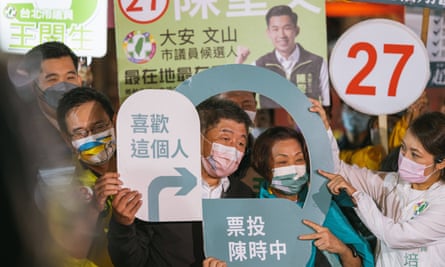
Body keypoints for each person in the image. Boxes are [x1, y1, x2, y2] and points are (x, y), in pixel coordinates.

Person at [107, 97, 255, 267]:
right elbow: (130, 261)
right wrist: (122, 225)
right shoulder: (156, 190)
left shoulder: (244, 195)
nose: (233, 150)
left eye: (241, 143)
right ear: (196, 138)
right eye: (225, 139)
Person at [322, 111, 445, 266]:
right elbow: (337, 170)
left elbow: (395, 237)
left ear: (441, 162)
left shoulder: (441, 202)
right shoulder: (391, 183)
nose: (404, 158)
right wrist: (323, 130)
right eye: (403, 148)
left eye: (415, 155)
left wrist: (359, 197)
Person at [55, 87, 119, 267]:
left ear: (113, 121)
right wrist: (93, 208)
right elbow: (73, 252)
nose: (93, 137)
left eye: (99, 126)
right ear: (68, 140)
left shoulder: (137, 162)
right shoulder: (63, 187)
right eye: (81, 133)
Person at [235, 5, 330, 112]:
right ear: (268, 33)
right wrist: (239, 61)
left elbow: (326, 102)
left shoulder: (318, 62)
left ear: (296, 30)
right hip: (272, 124)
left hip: (308, 124)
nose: (281, 35)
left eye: (287, 28)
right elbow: (237, 93)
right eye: (275, 29)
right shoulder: (259, 65)